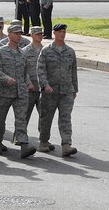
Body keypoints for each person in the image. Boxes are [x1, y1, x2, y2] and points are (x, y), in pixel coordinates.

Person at [0, 24, 37, 158]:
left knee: (21, 119)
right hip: (3, 91)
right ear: (9, 34)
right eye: (16, 33)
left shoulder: (23, 53)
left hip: (20, 92)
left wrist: (28, 83)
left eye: (20, 33)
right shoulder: (1, 51)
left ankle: (23, 145)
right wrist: (6, 78)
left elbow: (25, 72)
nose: (18, 36)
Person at [37, 23, 78, 157]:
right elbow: (41, 70)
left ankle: (66, 145)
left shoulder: (70, 52)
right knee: (46, 117)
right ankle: (43, 141)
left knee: (65, 117)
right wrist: (45, 85)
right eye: (59, 31)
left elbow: (73, 72)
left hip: (66, 91)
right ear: (54, 33)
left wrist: (74, 90)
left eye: (64, 32)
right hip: (50, 91)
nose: (62, 34)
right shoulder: (46, 50)